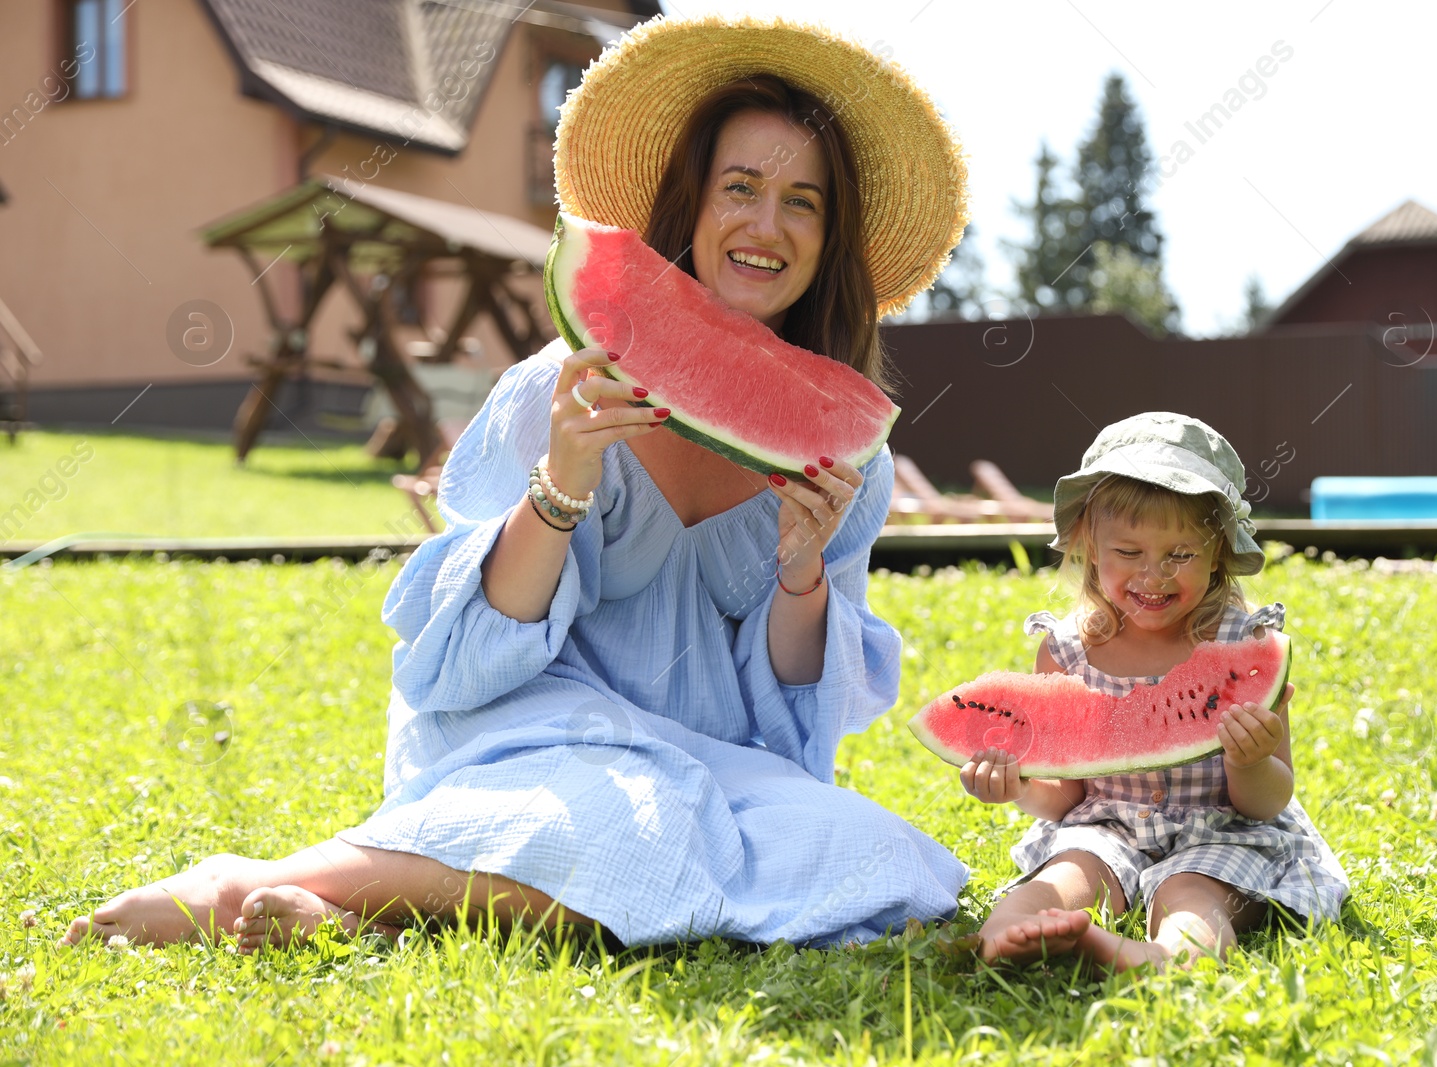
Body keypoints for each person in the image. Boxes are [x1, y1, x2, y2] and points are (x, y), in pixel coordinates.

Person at [62, 15, 971, 951]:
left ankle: (359, 911)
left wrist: (801, 571)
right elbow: (464, 661)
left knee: (883, 858)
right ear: (690, 205)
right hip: (536, 734)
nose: (765, 225)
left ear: (830, 237)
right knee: (630, 824)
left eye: (803, 201)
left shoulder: (842, 460)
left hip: (721, 765)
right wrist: (563, 479)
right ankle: (257, 883)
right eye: (739, 187)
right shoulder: (556, 387)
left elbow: (792, 732)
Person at [959, 413, 1348, 969]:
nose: (1154, 574)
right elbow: (1064, 795)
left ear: (1218, 555)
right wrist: (1018, 785)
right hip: (1104, 824)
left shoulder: (1246, 645)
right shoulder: (1066, 652)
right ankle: (1006, 933)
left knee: (1191, 895)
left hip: (1219, 833)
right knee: (1069, 873)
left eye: (1180, 554)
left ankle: (1164, 958)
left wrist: (1251, 760)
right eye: (1129, 551)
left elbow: (1268, 802)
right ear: (1091, 548)